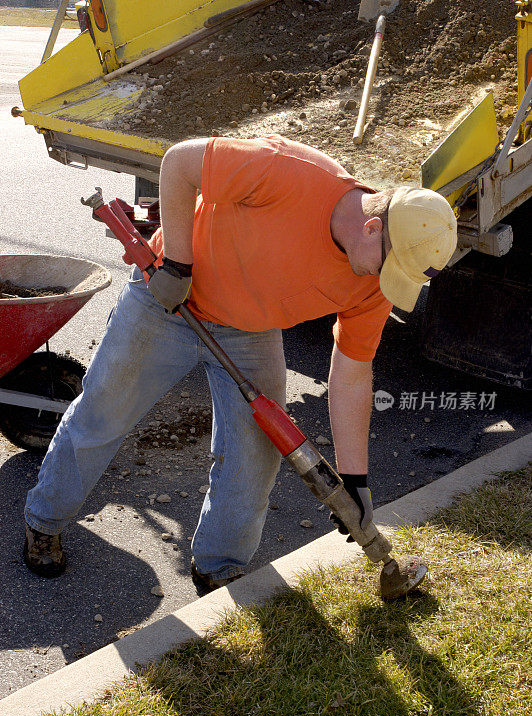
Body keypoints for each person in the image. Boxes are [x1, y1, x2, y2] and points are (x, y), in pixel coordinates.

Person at [23, 134, 457, 591]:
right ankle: (43, 521)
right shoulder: (287, 172)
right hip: (170, 297)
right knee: (103, 411)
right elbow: (178, 163)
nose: (383, 282)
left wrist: (355, 480)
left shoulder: (373, 285)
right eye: (389, 267)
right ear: (372, 227)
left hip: (251, 328)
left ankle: (218, 568)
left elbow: (351, 378)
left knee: (254, 456)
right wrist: (177, 264)